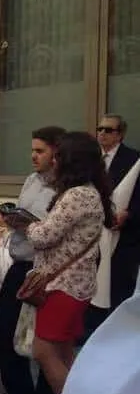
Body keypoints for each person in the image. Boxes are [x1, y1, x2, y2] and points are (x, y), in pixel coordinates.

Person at [13, 132, 111, 394]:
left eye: (58, 156)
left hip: (63, 287)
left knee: (44, 351)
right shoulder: (87, 192)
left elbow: (43, 236)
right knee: (65, 356)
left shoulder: (78, 195)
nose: (53, 161)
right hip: (73, 285)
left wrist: (23, 224)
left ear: (70, 160)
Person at [0, 126, 66, 394]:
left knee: (46, 336)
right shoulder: (32, 180)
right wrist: (10, 217)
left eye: (40, 151)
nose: (33, 156)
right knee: (5, 327)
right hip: (20, 263)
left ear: (56, 153)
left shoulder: (66, 188)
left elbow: (54, 230)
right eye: (32, 150)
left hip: (47, 268)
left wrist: (28, 225)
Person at [85, 114, 140, 336]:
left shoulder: (134, 159)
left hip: (123, 241)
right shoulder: (91, 160)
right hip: (94, 238)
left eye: (108, 130)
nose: (102, 134)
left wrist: (130, 215)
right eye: (99, 129)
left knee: (117, 292)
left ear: (120, 134)